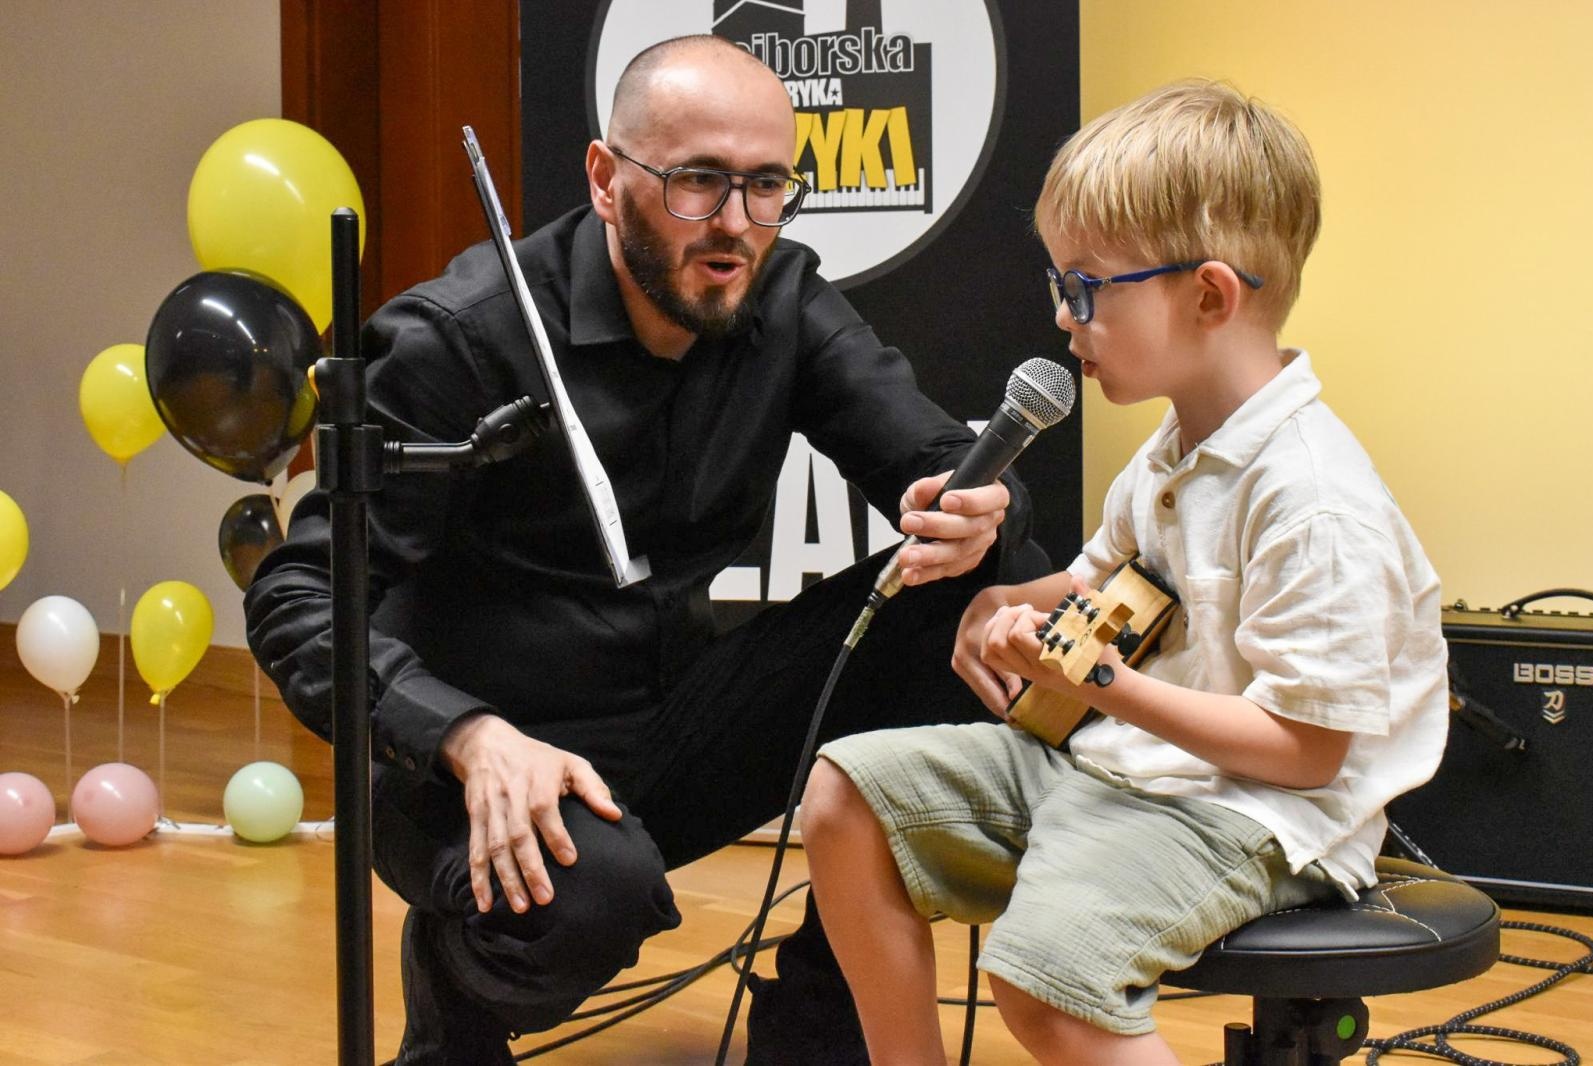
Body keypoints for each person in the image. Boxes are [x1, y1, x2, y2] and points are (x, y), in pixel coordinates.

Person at [245, 34, 1047, 1066]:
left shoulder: (782, 296)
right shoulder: (462, 337)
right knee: (590, 902)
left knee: (998, 585)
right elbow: (296, 594)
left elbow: (945, 457)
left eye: (766, 187)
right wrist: (467, 736)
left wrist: (982, 500)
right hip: (476, 763)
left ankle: (816, 1013)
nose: (735, 226)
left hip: (674, 713)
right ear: (606, 178)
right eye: (697, 183)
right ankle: (456, 990)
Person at [799, 80, 1449, 1065]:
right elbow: (1104, 583)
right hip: (1121, 770)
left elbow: (1306, 753)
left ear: (1209, 295)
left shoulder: (1312, 496)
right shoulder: (1174, 444)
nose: (1065, 321)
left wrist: (1102, 683)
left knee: (1044, 978)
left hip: (1252, 812)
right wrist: (1004, 603)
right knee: (845, 795)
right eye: (1059, 287)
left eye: (1085, 289)